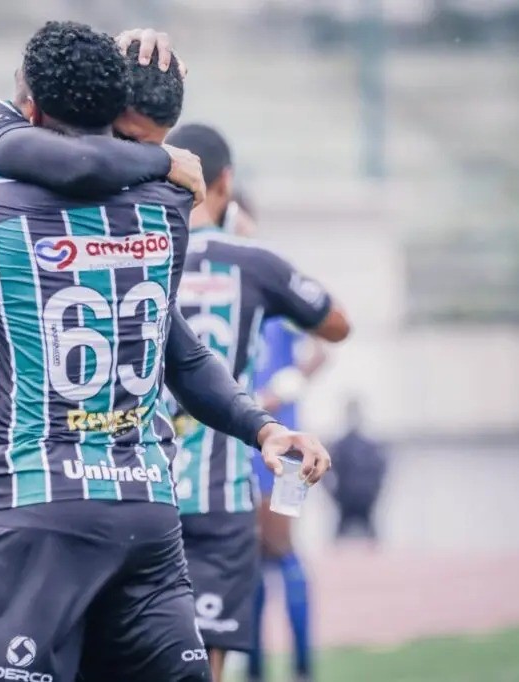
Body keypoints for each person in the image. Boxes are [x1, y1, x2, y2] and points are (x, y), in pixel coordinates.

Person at [0, 22, 332, 682]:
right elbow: (184, 353)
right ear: (118, 110)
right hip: (143, 509)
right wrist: (261, 426)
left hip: (25, 501)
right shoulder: (161, 208)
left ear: (30, 106)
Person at [166, 122, 352, 682]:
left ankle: (288, 664)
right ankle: (287, 666)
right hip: (243, 469)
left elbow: (315, 353)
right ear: (225, 185)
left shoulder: (141, 253)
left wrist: (287, 382)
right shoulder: (254, 267)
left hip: (163, 480)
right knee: (275, 560)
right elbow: (334, 327)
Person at [248, 318, 328, 682]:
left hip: (281, 449)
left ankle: (299, 666)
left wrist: (280, 391)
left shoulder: (275, 312)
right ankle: (262, 667)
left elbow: (320, 349)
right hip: (243, 444)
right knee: (254, 558)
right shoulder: (229, 307)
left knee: (277, 547)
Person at [326, 397, 387, 543]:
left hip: (366, 498)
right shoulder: (340, 446)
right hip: (345, 499)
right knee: (338, 540)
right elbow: (326, 470)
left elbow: (381, 469)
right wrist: (334, 494)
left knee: (373, 539)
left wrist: (374, 491)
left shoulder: (370, 446)